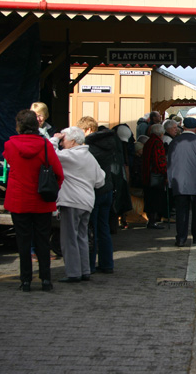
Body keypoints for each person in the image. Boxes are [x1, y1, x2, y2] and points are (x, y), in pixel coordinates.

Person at [3, 110, 64, 291]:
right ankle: (45, 279)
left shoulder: (10, 145)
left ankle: (26, 280)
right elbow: (59, 174)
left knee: (23, 242)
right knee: (42, 241)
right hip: (41, 200)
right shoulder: (45, 146)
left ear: (19, 126)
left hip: (19, 199)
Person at [50, 127, 105, 283]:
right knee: (82, 236)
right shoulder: (90, 157)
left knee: (69, 238)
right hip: (87, 201)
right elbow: (100, 180)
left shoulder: (68, 155)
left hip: (71, 200)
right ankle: (85, 269)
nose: (62, 143)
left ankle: (74, 272)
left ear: (72, 141)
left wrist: (54, 138)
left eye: (64, 139)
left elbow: (49, 154)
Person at [76, 116, 118, 274]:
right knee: (103, 228)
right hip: (107, 189)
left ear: (88, 130)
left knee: (90, 229)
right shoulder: (107, 144)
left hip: (94, 191)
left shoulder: (90, 148)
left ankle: (90, 265)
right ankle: (107, 264)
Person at [167, 117, 196, 247]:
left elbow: (170, 164)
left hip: (179, 184)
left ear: (184, 127)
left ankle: (181, 238)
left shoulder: (174, 143)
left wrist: (171, 182)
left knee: (181, 212)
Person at [142, 124, 168, 229]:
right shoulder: (157, 143)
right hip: (155, 176)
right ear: (161, 133)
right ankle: (152, 221)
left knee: (149, 198)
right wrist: (165, 172)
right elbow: (159, 161)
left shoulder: (148, 141)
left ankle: (151, 220)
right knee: (155, 198)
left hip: (147, 175)